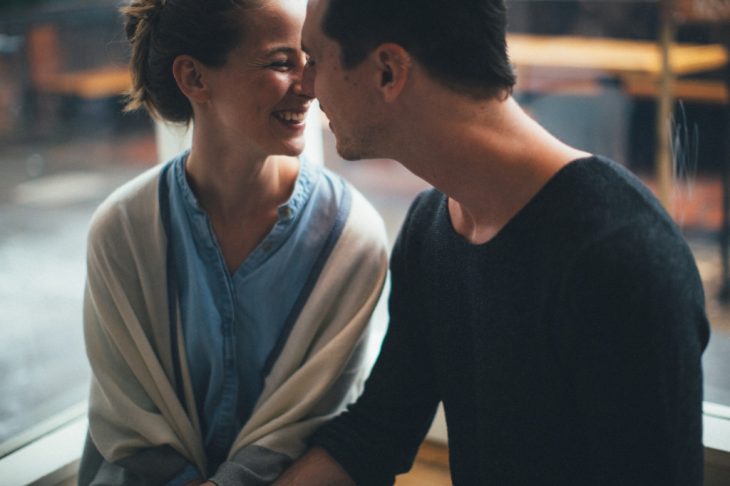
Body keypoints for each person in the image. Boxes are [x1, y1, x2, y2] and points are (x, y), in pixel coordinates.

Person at [274, 0, 711, 484]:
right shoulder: (432, 228)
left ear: (387, 72)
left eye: (314, 59)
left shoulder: (623, 256)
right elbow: (378, 431)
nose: (307, 87)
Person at [78, 0, 388, 484]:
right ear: (195, 79)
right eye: (282, 62)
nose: (309, 85)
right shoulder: (122, 230)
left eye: (309, 60)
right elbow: (130, 422)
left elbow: (314, 420)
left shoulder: (351, 237)